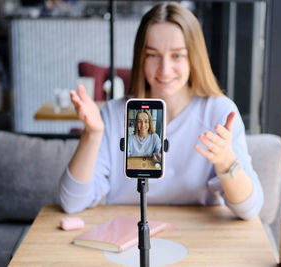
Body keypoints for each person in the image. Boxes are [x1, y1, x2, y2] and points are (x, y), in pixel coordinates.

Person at [59, 2, 263, 220]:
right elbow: (72, 202)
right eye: (153, 55)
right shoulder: (115, 113)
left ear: (194, 57)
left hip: (198, 239)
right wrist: (92, 134)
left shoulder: (219, 112)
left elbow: (250, 210)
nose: (164, 70)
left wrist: (226, 163)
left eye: (177, 55)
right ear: (141, 58)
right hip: (126, 234)